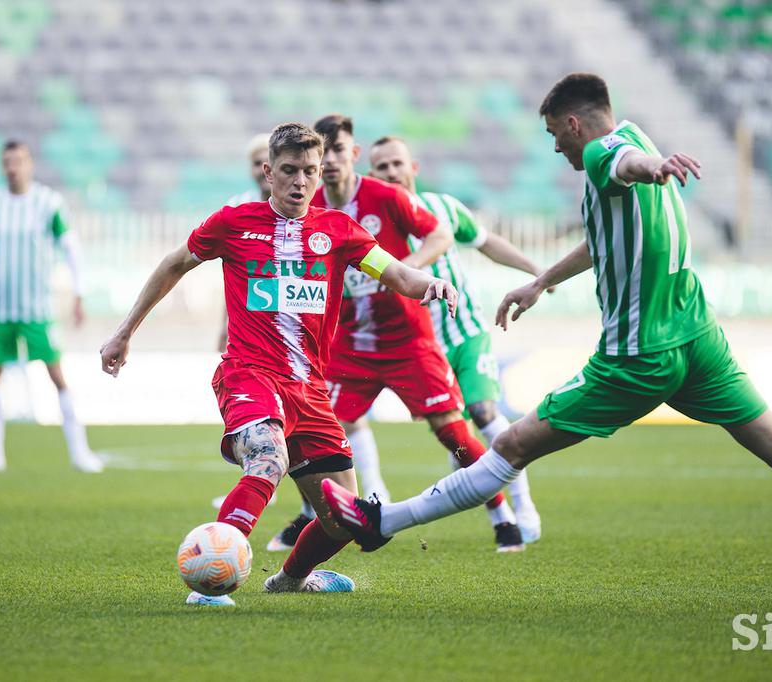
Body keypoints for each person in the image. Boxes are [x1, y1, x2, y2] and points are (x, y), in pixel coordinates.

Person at [321, 74, 772, 610]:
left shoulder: (602, 155)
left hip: (635, 357)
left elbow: (619, 165)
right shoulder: (634, 135)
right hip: (699, 340)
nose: (557, 149)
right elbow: (605, 230)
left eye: (554, 136)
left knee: (509, 443)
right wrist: (541, 281)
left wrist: (653, 166)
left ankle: (381, 522)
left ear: (572, 123)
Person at [99, 123, 459, 606]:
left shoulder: (339, 231)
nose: (301, 182)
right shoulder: (233, 223)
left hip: (310, 389)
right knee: (269, 459)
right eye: (289, 171)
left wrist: (429, 284)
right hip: (249, 373)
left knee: (343, 517)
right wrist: (125, 332)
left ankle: (291, 578)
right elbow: (174, 264)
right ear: (269, 172)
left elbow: (395, 273)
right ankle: (210, 584)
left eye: (310, 172)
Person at [268, 115, 525, 554]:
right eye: (320, 154)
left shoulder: (383, 197)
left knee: (451, 429)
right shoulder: (306, 208)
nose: (327, 161)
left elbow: (441, 233)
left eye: (337, 150)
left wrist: (408, 273)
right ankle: (351, 505)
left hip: (408, 339)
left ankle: (502, 515)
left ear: (353, 154)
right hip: (349, 343)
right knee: (321, 428)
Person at [366, 135, 544, 542]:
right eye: (382, 167)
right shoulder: (374, 225)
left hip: (465, 332)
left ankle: (524, 507)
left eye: (398, 164)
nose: (392, 172)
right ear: (372, 175)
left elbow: (485, 243)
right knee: (457, 440)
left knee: (484, 410)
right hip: (422, 347)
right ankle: (502, 519)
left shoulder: (444, 208)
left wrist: (534, 269)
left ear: (415, 168)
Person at [0, 140, 102, 474]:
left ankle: (79, 451)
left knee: (57, 375)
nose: (13, 167)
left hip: (37, 307)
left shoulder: (47, 203)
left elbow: (71, 249)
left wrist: (79, 292)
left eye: (19, 161)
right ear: (2, 165)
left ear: (30, 164)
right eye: (8, 161)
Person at [210, 134, 278, 510]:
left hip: (298, 339)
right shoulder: (236, 211)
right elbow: (236, 277)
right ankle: (254, 483)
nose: (258, 170)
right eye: (253, 163)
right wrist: (225, 323)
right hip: (252, 342)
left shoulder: (306, 210)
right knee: (263, 427)